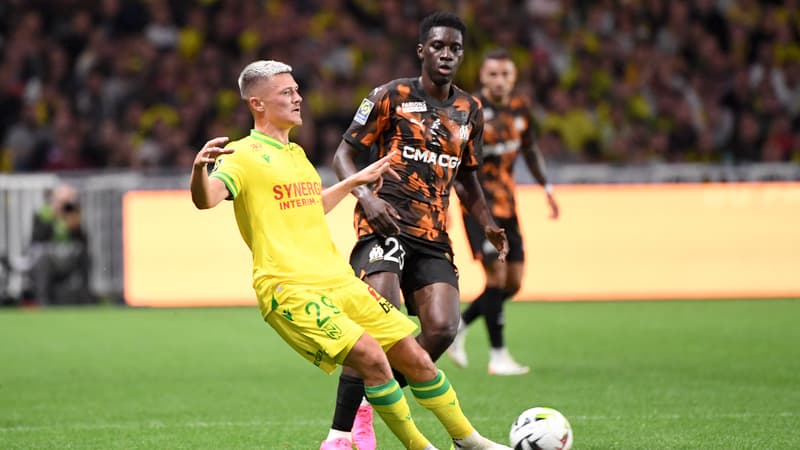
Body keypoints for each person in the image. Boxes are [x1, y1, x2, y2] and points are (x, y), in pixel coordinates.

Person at [190, 59, 509, 450]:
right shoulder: (240, 155)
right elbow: (207, 199)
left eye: (296, 90)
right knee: (373, 357)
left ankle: (469, 441)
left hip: (337, 281)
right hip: (291, 288)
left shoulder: (296, 154)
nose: (298, 98)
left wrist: (355, 181)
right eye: (287, 93)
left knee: (415, 356)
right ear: (257, 104)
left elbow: (310, 208)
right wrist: (199, 171)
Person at [322, 12, 509, 450]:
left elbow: (467, 177)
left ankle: (370, 398)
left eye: (455, 48)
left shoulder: (470, 110)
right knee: (380, 320)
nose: (447, 54)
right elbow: (342, 157)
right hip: (383, 225)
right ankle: (340, 433)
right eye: (439, 46)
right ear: (422, 50)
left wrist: (487, 222)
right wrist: (366, 198)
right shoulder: (390, 96)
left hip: (432, 236)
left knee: (442, 328)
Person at [447, 49, 560, 375]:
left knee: (513, 282)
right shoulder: (469, 110)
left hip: (508, 207)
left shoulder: (520, 108)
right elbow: (452, 159)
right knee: (495, 276)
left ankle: (460, 326)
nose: (499, 80)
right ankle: (498, 356)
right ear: (483, 77)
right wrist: (444, 202)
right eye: (493, 74)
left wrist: (546, 187)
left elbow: (530, 149)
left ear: (514, 77)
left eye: (505, 74)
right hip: (479, 208)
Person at [27, 182, 93, 305]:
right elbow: (37, 237)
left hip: (69, 255)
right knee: (42, 258)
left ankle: (86, 298)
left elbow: (83, 240)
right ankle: (43, 300)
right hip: (48, 255)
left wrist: (73, 223)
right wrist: (54, 215)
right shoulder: (44, 212)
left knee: (85, 256)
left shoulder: (72, 213)